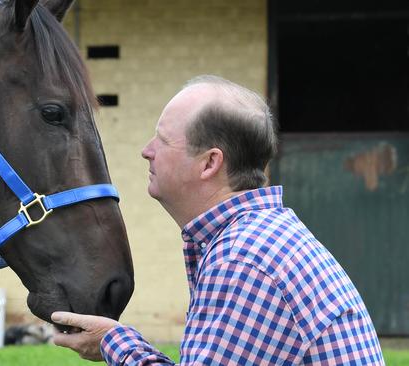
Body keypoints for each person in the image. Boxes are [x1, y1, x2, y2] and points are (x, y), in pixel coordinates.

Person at [51, 75, 385, 365]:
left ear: (210, 163)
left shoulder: (245, 257)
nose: (146, 150)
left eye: (162, 140)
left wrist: (113, 342)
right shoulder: (258, 237)